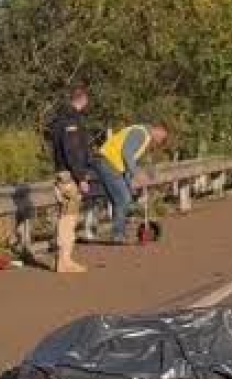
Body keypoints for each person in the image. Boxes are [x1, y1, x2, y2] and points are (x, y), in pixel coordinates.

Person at [93, 123, 169, 244]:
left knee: (122, 199)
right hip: (108, 162)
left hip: (112, 164)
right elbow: (126, 153)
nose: (160, 141)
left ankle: (119, 234)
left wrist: (129, 182)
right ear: (158, 129)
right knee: (123, 199)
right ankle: (118, 236)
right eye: (162, 138)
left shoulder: (144, 136)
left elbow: (128, 161)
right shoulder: (141, 133)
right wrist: (137, 175)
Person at [48, 86, 93, 274]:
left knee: (65, 216)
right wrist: (81, 176)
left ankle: (62, 259)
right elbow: (72, 151)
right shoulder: (71, 120)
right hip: (69, 175)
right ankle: (64, 261)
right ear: (82, 99)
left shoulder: (59, 118)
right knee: (69, 216)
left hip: (62, 173)